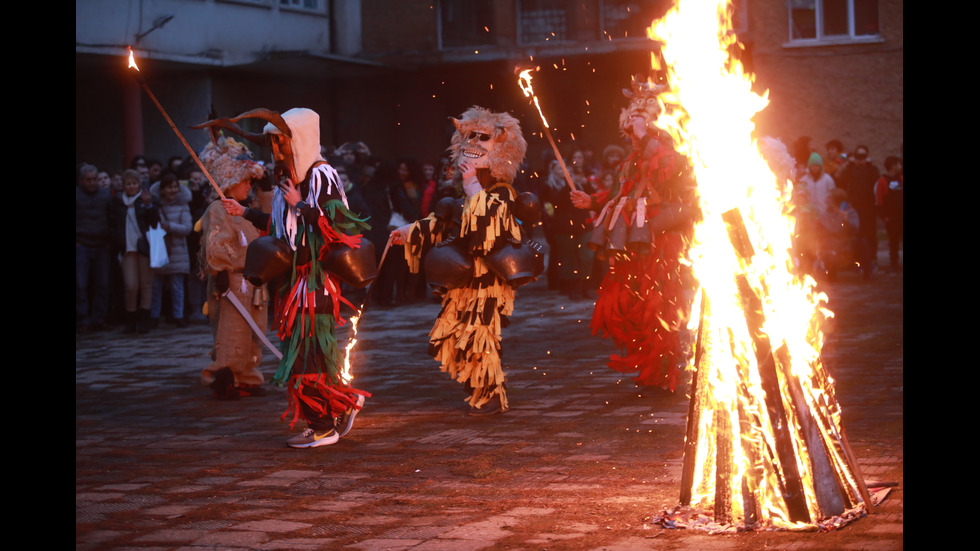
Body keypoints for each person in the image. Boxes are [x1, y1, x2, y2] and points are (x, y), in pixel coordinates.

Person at [197, 107, 371, 448]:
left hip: (315, 281)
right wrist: (244, 211)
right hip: (293, 282)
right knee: (299, 351)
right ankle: (334, 409)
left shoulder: (322, 175)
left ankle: (325, 425)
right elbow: (281, 229)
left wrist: (300, 204)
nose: (276, 149)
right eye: (273, 142)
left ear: (299, 140)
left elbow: (337, 228)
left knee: (309, 354)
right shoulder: (285, 180)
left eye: (281, 141)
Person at [391, 105, 531, 415]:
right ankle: (478, 386)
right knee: (456, 334)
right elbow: (447, 222)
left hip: (487, 278)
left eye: (483, 139)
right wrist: (409, 230)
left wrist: (471, 184)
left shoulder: (503, 193)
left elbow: (483, 224)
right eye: (469, 139)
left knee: (480, 334)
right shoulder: (463, 191)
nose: (473, 146)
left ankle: (491, 392)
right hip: (462, 277)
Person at [570, 78, 697, 391]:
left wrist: (648, 139)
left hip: (660, 238)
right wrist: (593, 200)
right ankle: (645, 364)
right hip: (629, 240)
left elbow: (671, 173)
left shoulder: (672, 153)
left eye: (641, 123)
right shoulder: (630, 160)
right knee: (625, 301)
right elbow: (621, 191)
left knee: (659, 305)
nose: (634, 131)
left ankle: (662, 372)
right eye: (631, 124)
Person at [197, 136, 272, 399]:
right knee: (232, 330)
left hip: (255, 281)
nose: (249, 186)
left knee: (255, 330)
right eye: (246, 180)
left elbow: (271, 220)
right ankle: (226, 376)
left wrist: (266, 188)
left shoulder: (246, 209)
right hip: (232, 280)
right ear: (229, 181)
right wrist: (220, 272)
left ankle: (247, 377)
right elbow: (216, 242)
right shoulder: (218, 209)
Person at [109, 169, 159, 333]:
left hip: (144, 247)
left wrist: (148, 204)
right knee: (130, 285)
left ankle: (144, 319)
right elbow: (113, 225)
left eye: (134, 183)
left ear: (139, 184)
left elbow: (154, 223)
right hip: (127, 248)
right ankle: (131, 319)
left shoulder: (147, 200)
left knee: (146, 284)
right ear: (123, 186)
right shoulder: (117, 203)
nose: (131, 186)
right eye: (128, 183)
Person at [149, 173, 193, 327]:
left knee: (177, 286)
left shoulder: (183, 204)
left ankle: (178, 315)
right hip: (160, 248)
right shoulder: (155, 205)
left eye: (175, 186)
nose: (173, 190)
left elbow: (188, 228)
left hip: (178, 250)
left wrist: (169, 227)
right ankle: (153, 316)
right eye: (169, 187)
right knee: (156, 286)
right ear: (162, 190)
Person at [76, 163, 112, 333]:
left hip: (101, 245)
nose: (91, 183)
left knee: (102, 284)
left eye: (94, 180)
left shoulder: (105, 196)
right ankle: (84, 319)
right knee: (80, 285)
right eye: (87, 180)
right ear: (81, 181)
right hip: (81, 244)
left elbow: (112, 219)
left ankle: (99, 318)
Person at [837, 144, 880, 279]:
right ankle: (854, 262)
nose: (860, 159)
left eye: (863, 156)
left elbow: (876, 180)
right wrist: (849, 165)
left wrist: (868, 164)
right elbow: (840, 179)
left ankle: (871, 261)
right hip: (854, 208)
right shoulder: (850, 169)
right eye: (858, 156)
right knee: (854, 236)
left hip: (869, 208)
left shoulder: (872, 169)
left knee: (870, 236)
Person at [876, 155, 903, 273]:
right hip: (891, 218)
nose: (900, 166)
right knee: (893, 242)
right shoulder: (882, 181)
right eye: (898, 164)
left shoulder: (901, 179)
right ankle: (894, 263)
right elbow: (879, 201)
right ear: (892, 166)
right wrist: (884, 217)